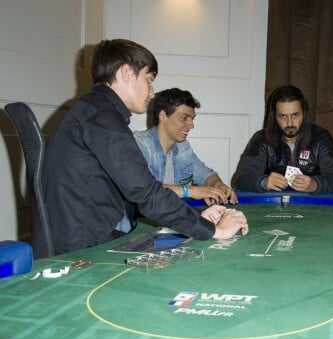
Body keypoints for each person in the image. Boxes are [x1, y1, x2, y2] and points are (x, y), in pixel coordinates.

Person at [44, 39, 248, 255]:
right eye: (149, 80)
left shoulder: (93, 111)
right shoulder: (103, 117)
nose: (151, 92)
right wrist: (213, 230)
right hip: (82, 248)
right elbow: (145, 193)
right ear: (126, 73)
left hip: (85, 235)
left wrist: (197, 220)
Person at [134, 88, 237, 206]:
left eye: (192, 119)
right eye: (184, 118)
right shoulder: (138, 144)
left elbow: (207, 175)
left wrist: (217, 185)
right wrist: (190, 191)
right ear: (162, 115)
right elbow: (142, 188)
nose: (191, 125)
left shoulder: (183, 147)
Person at [234, 85, 333, 194]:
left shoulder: (321, 137)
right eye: (283, 116)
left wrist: (315, 185)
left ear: (304, 113)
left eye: (295, 115)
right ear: (274, 116)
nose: (290, 123)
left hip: (313, 204)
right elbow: (242, 177)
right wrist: (263, 182)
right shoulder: (262, 139)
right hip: (272, 205)